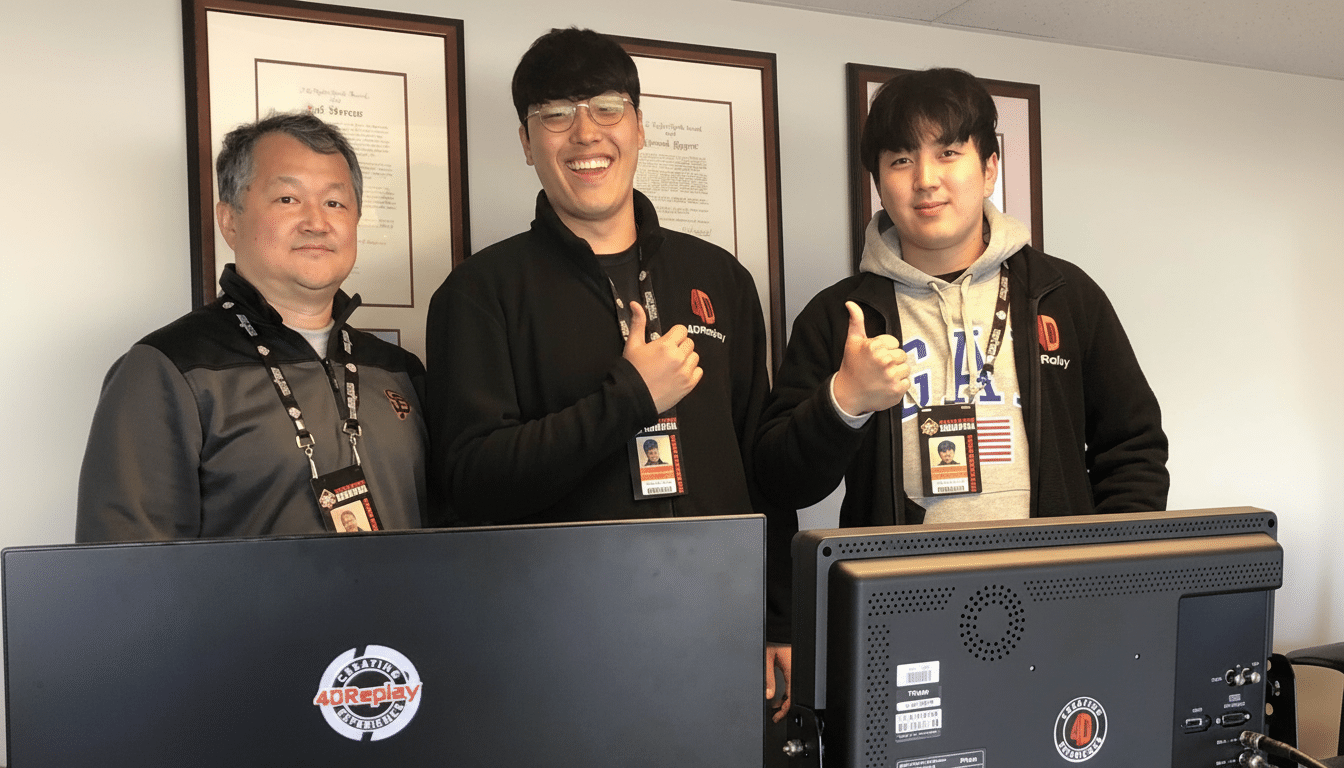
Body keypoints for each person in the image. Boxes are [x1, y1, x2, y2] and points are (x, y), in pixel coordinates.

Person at [423, 27, 795, 718]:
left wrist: (778, 615)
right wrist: (629, 397)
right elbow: (472, 484)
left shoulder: (720, 278)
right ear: (527, 143)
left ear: (640, 125)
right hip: (554, 647)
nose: (584, 133)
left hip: (716, 623)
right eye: (555, 115)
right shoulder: (480, 292)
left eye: (605, 107)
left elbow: (760, 469)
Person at [756, 68, 1167, 531]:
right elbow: (779, 482)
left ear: (990, 169)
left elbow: (1135, 449)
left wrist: (1110, 567)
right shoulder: (840, 316)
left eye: (948, 153)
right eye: (901, 160)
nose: (926, 179)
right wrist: (845, 400)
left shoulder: (1064, 296)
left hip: (1055, 588)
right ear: (878, 183)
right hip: (898, 591)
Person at [76, 112, 428, 541]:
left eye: (335, 202)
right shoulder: (168, 370)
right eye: (288, 199)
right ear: (230, 221)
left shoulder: (399, 370)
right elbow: (124, 572)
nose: (317, 222)